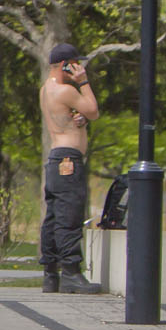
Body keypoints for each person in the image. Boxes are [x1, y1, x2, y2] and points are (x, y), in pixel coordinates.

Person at [39, 44, 106, 294]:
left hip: (56, 159)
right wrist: (84, 82)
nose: (80, 68)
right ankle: (71, 272)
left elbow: (74, 115)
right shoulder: (66, 90)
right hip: (69, 160)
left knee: (54, 217)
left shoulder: (46, 89)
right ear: (66, 65)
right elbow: (94, 110)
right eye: (76, 64)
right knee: (70, 216)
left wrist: (80, 117)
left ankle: (50, 273)